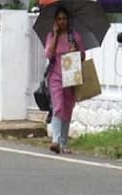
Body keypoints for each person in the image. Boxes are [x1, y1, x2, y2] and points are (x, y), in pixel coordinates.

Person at [45, 6, 85, 154]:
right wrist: (55, 35)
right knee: (58, 107)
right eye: (59, 19)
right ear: (56, 21)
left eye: (64, 18)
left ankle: (63, 144)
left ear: (68, 20)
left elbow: (83, 57)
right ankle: (55, 140)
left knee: (67, 110)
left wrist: (76, 52)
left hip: (71, 77)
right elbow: (49, 55)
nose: (62, 21)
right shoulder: (51, 36)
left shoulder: (74, 36)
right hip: (56, 77)